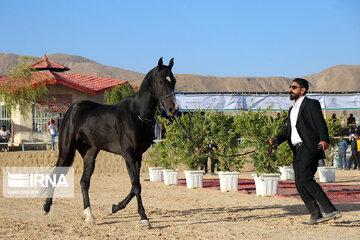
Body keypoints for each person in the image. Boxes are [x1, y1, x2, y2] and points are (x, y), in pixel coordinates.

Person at [269, 78, 341, 225]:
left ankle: (330, 209)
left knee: (306, 179)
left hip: (310, 146)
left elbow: (321, 123)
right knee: (299, 182)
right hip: (297, 149)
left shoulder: (311, 104)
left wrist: (324, 140)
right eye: (290, 87)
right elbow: (287, 131)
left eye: (294, 87)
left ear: (303, 90)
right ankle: (315, 214)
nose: (291, 89)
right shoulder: (292, 109)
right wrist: (277, 139)